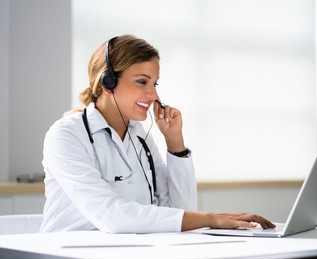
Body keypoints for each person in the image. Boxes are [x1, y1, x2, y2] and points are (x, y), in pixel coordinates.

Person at [40, 34, 275, 233]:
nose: (153, 95)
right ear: (108, 82)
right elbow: (111, 216)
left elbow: (179, 210)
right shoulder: (66, 135)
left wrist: (175, 143)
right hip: (69, 258)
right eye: (142, 82)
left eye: (155, 84)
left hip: (130, 256)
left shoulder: (140, 136)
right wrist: (210, 218)